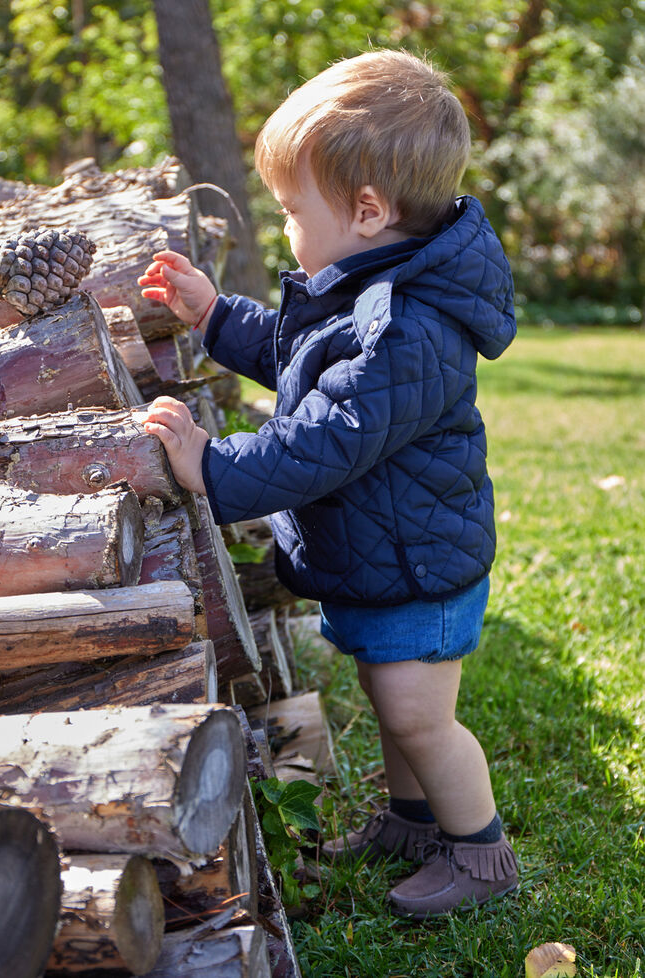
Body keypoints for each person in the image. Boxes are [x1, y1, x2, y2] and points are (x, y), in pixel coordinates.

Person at [138, 48, 518, 919]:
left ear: (368, 211)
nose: (286, 233)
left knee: (422, 718)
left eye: (290, 213)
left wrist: (215, 464)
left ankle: (480, 854)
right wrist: (214, 316)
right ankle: (412, 822)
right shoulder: (370, 284)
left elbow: (326, 439)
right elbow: (302, 360)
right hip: (390, 552)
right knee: (393, 703)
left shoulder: (408, 329)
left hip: (417, 564)